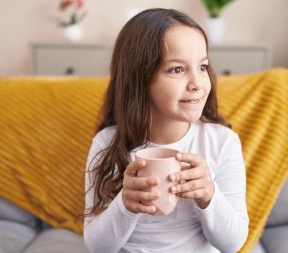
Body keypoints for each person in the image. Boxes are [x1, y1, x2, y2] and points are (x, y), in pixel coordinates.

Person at [83, 8, 249, 253]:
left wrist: (209, 196)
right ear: (139, 78)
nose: (197, 84)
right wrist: (125, 205)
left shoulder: (222, 142)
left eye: (202, 67)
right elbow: (97, 247)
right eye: (177, 69)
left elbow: (233, 244)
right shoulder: (107, 143)